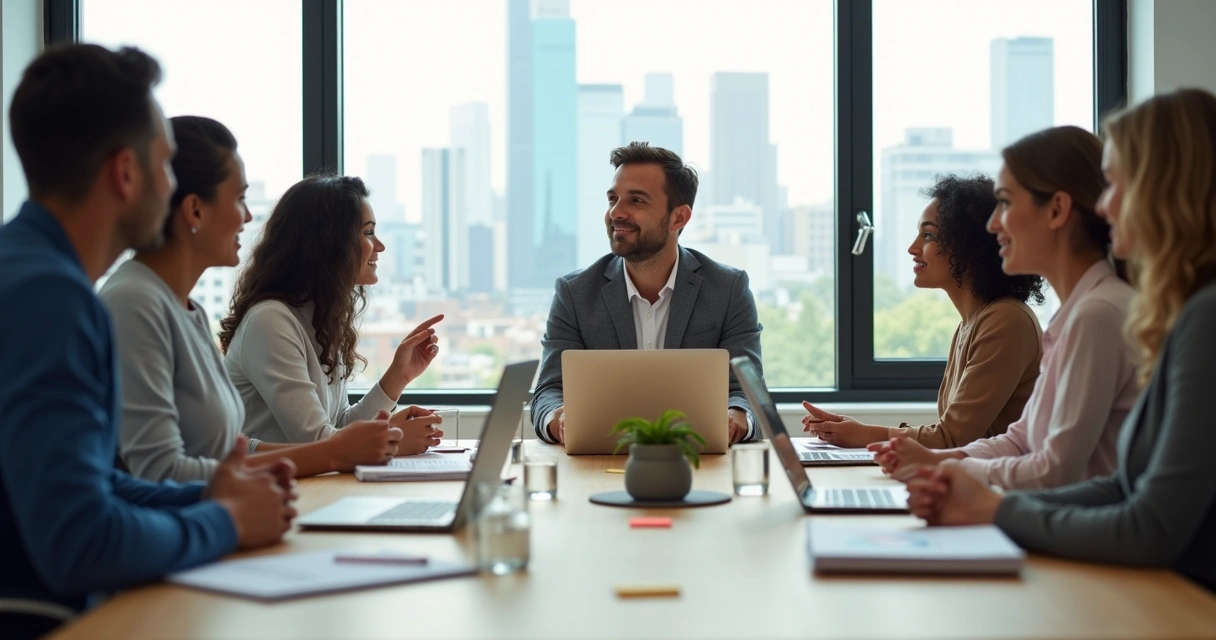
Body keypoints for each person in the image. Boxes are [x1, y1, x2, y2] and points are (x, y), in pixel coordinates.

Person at [0, 45, 293, 638]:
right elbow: (80, 541)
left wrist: (209, 495)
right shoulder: (52, 298)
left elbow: (95, 483)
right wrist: (226, 522)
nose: (171, 184)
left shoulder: (29, 272)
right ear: (126, 173)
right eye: (164, 164)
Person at [904, 88, 1216, 592]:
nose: (1104, 206)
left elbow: (1148, 524)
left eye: (1117, 184)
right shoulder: (1171, 312)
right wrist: (970, 487)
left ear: (1164, 190)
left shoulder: (1186, 316)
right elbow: (1122, 487)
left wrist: (995, 508)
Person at [100, 116, 408, 483]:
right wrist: (337, 452)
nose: (247, 217)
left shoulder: (186, 310)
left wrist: (357, 440)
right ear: (195, 210)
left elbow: (228, 449)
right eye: (240, 199)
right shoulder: (134, 302)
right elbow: (161, 471)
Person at [873, 125, 1140, 491]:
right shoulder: (1076, 315)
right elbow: (1021, 440)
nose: (993, 223)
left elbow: (1053, 471)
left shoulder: (1097, 315)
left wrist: (950, 469)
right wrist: (935, 461)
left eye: (1006, 203)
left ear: (1057, 210)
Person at [532, 142, 763, 445]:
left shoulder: (728, 290)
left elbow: (748, 393)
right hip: (598, 459)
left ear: (679, 218)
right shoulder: (574, 293)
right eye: (613, 199)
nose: (616, 212)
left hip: (698, 461)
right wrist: (559, 419)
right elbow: (549, 391)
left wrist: (737, 418)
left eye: (636, 200)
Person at [802, 174, 1044, 449]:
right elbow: (951, 436)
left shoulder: (1006, 321)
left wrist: (865, 434)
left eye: (928, 235)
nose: (912, 248)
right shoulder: (971, 324)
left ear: (969, 246)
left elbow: (951, 438)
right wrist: (857, 431)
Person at [220, 174, 444, 449]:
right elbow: (317, 441)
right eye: (368, 233)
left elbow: (338, 427)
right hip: (269, 476)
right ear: (329, 243)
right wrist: (394, 439)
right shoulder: (270, 320)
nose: (380, 246)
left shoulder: (320, 318)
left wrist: (399, 375)